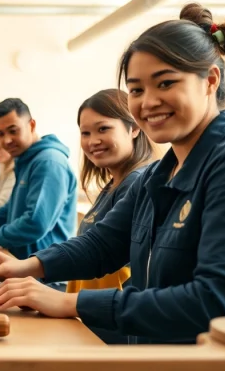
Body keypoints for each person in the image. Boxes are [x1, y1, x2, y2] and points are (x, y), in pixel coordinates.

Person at [0, 3, 225, 344]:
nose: (149, 101)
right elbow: (103, 245)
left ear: (210, 81)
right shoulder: (158, 175)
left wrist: (70, 302)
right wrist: (26, 266)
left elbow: (221, 301)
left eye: (165, 83)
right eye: (137, 90)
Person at [67, 88, 156, 344]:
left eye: (103, 129)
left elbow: (103, 251)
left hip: (112, 324)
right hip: (92, 317)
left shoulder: (137, 182)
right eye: (85, 133)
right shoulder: (114, 182)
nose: (92, 140)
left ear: (135, 128)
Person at [0, 99, 78, 267]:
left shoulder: (48, 162)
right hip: (22, 264)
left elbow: (35, 223)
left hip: (46, 276)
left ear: (31, 125)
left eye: (13, 131)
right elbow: (10, 208)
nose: (6, 140)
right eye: (0, 134)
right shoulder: (26, 160)